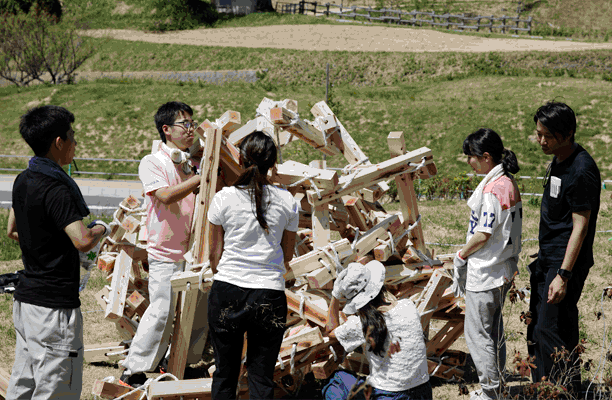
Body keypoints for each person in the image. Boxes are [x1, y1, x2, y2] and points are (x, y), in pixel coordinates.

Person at [6, 105, 110, 399]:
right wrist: (102, 227)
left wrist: (43, 244)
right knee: (56, 389)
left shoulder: (23, 179)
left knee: (24, 383)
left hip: (26, 301)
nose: (76, 144)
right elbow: (82, 240)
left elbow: (12, 230)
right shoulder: (56, 188)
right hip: (53, 309)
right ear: (59, 142)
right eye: (72, 137)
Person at [120, 101, 207, 387]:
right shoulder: (152, 162)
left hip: (195, 249)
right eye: (184, 124)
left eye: (192, 124)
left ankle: (185, 362)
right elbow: (166, 195)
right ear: (166, 130)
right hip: (166, 251)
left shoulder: (191, 161)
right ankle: (134, 368)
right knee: (162, 311)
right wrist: (199, 178)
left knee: (196, 312)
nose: (190, 129)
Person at [207, 130, 299, 399]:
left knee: (225, 373)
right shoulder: (287, 201)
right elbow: (288, 254)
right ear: (273, 163)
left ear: (240, 158)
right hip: (268, 294)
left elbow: (215, 256)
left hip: (228, 291)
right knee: (261, 377)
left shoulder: (223, 198)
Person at [527, 101, 600, 393]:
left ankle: (558, 393)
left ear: (567, 133)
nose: (541, 141)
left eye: (548, 135)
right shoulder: (557, 159)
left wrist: (564, 274)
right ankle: (552, 389)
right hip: (549, 257)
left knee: (549, 329)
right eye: (538, 134)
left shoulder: (581, 170)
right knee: (546, 327)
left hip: (564, 264)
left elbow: (580, 226)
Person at [452, 128, 522, 400]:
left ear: (485, 157)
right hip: (503, 269)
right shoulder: (509, 183)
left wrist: (461, 254)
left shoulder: (492, 190)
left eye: (470, 157)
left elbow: (483, 233)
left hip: (485, 271)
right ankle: (498, 385)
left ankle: (491, 392)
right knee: (494, 333)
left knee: (478, 336)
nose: (468, 162)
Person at [324, 260, 432, 400]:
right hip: (423, 392)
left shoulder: (361, 325)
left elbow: (330, 332)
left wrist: (335, 295)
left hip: (389, 395)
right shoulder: (408, 306)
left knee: (336, 380)